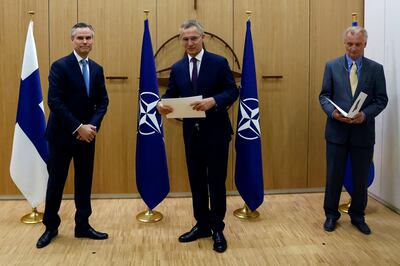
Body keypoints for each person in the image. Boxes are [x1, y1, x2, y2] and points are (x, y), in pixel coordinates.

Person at [157, 19, 239, 253]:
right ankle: (202, 225)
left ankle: (217, 228)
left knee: (216, 183)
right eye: (185, 39)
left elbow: (232, 91)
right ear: (181, 40)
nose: (190, 42)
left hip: (216, 134)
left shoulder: (218, 62)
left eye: (194, 38)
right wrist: (161, 105)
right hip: (191, 136)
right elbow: (171, 95)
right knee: (196, 182)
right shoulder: (178, 67)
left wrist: (214, 101)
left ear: (202, 38)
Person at [36, 22, 109, 248]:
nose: (85, 42)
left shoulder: (97, 69)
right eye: (80, 38)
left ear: (93, 40)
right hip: (62, 136)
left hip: (87, 137)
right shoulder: (60, 66)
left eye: (88, 38)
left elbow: (103, 102)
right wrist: (79, 127)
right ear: (72, 41)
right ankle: (50, 226)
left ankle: (83, 226)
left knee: (84, 181)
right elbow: (55, 101)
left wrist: (91, 127)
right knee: (56, 182)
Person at [319, 26, 388, 235]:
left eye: (358, 44)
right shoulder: (331, 66)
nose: (353, 49)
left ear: (365, 45)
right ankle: (331, 215)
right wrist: (333, 113)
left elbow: (381, 100)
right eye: (350, 44)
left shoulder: (376, 69)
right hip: (336, 132)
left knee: (360, 178)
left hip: (362, 133)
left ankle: (358, 216)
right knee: (334, 177)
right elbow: (324, 96)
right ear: (344, 44)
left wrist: (365, 115)